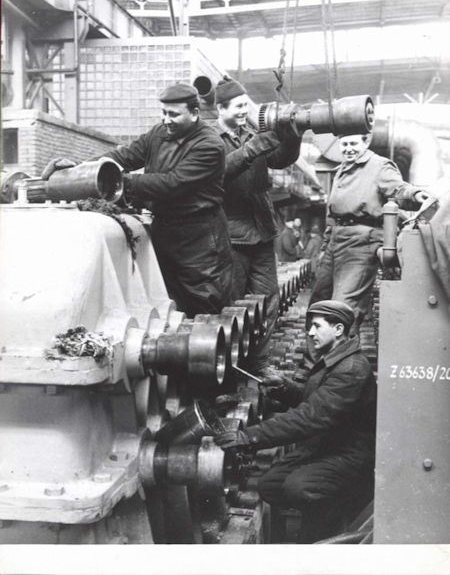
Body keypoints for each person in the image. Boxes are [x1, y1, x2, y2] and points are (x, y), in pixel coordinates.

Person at [42, 83, 233, 319]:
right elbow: (124, 156)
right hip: (166, 231)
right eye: (163, 113)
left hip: (199, 241)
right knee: (169, 310)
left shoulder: (210, 145)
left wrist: (117, 182)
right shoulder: (159, 133)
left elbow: (172, 183)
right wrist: (81, 168)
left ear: (194, 113)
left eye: (174, 114)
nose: (166, 120)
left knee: (205, 310)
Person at [214, 299, 376, 541]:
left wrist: (249, 436)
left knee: (299, 487)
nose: (310, 333)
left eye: (317, 326)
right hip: (328, 445)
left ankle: (325, 532)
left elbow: (310, 416)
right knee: (270, 485)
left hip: (351, 454)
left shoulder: (351, 369)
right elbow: (316, 400)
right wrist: (283, 388)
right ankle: (320, 515)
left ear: (338, 329)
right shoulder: (334, 358)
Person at [213, 77, 301, 375]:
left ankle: (259, 363)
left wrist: (293, 135)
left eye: (245, 106)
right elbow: (217, 172)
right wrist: (253, 148)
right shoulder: (210, 139)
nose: (244, 111)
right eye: (238, 106)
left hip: (262, 231)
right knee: (233, 305)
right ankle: (228, 370)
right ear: (220, 108)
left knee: (268, 300)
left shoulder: (252, 134)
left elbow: (280, 158)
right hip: (231, 236)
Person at [309, 132, 431, 327]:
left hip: (362, 243)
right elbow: (332, 214)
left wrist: (415, 194)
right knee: (318, 303)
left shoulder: (379, 166)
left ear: (366, 142)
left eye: (353, 143)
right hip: (335, 241)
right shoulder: (342, 169)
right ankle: (315, 347)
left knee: (343, 308)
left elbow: (397, 188)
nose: (349, 149)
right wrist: (325, 247)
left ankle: (344, 347)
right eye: (344, 144)